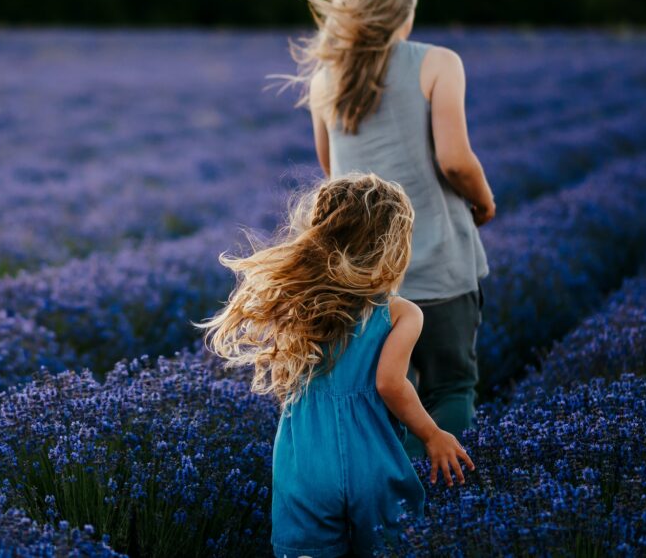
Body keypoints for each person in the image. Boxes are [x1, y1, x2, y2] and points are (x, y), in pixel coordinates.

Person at [281, 0, 494, 457]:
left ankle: (383, 501)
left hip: (362, 275)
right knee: (451, 389)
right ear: (407, 6)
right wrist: (483, 203)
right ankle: (432, 506)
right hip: (439, 263)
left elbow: (336, 179)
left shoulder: (327, 77)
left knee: (381, 394)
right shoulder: (438, 63)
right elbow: (456, 161)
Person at [197, 173, 475, 558]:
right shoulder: (400, 313)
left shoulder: (296, 302)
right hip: (373, 460)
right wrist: (431, 435)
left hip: (307, 460)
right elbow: (390, 384)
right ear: (392, 246)